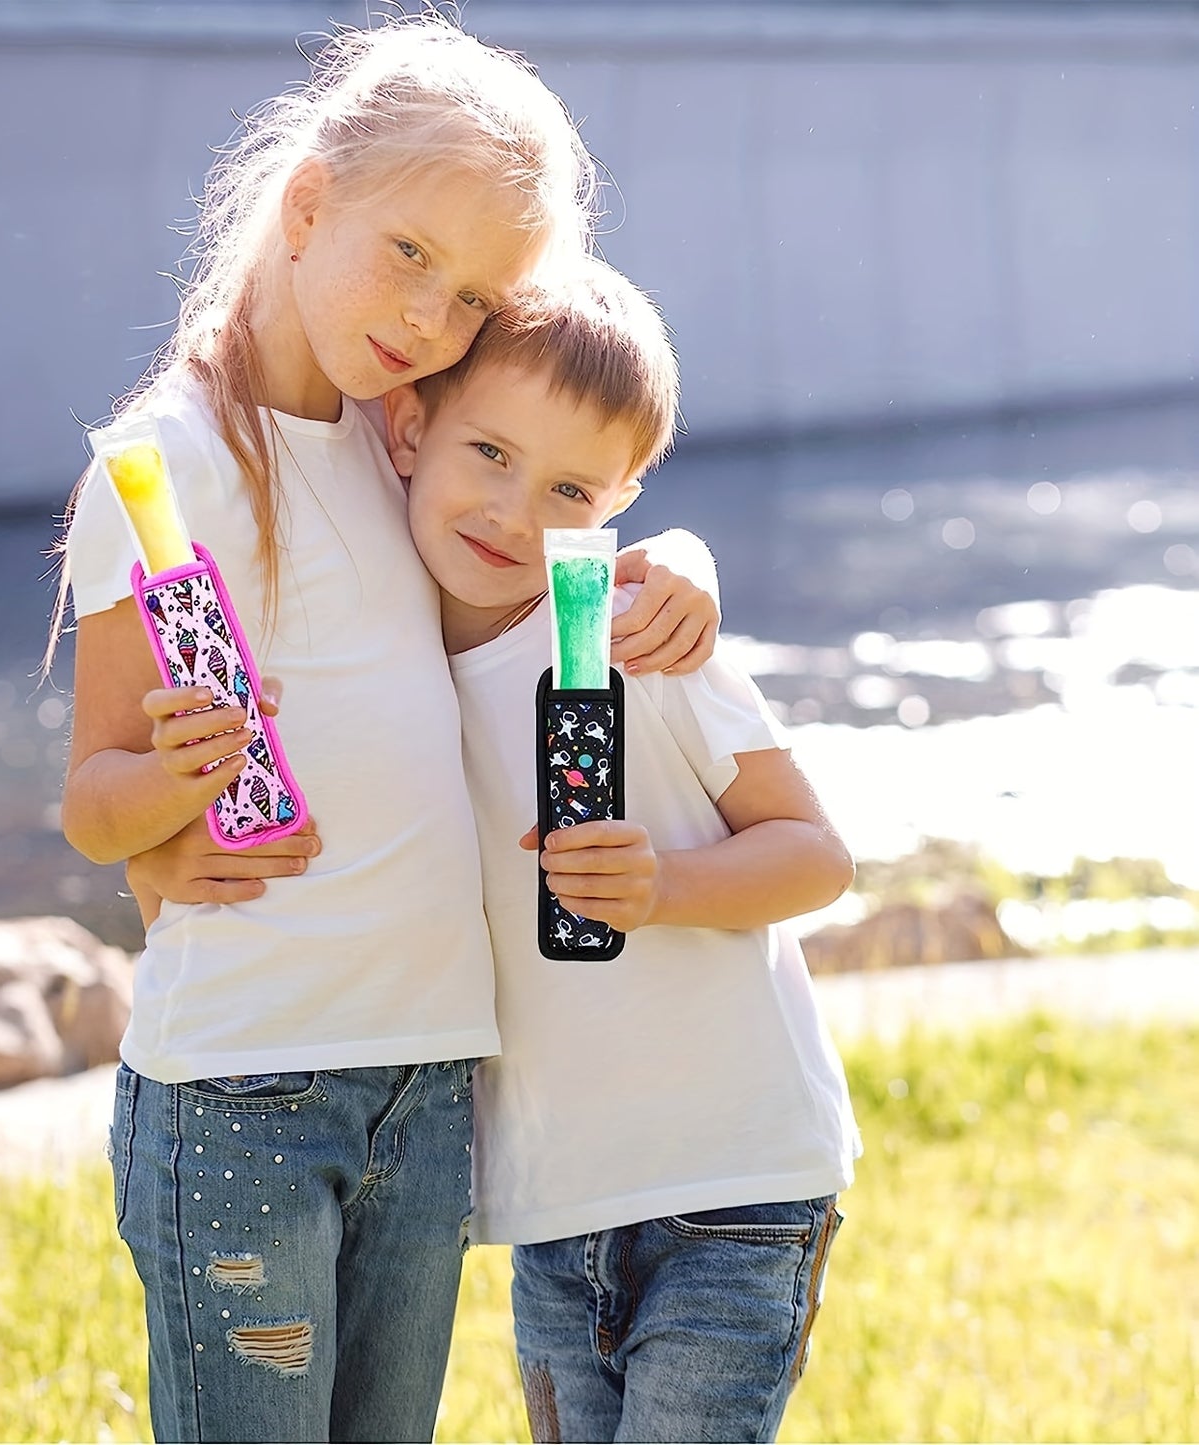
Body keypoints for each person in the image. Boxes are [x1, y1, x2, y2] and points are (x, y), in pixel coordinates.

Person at [51, 16, 717, 1443]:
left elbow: (575, 469)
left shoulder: (402, 436)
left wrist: (691, 564)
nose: (428, 316)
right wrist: (169, 783)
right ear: (307, 206)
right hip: (244, 1087)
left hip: (423, 1086)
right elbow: (93, 802)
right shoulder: (164, 463)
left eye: (474, 295)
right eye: (408, 252)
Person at [381, 257, 864, 1443]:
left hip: (735, 1180)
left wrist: (669, 883)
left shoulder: (639, 636)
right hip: (553, 1201)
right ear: (409, 424)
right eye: (487, 453)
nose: (508, 511)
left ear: (618, 498)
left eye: (564, 486)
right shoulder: (375, 655)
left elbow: (814, 854)